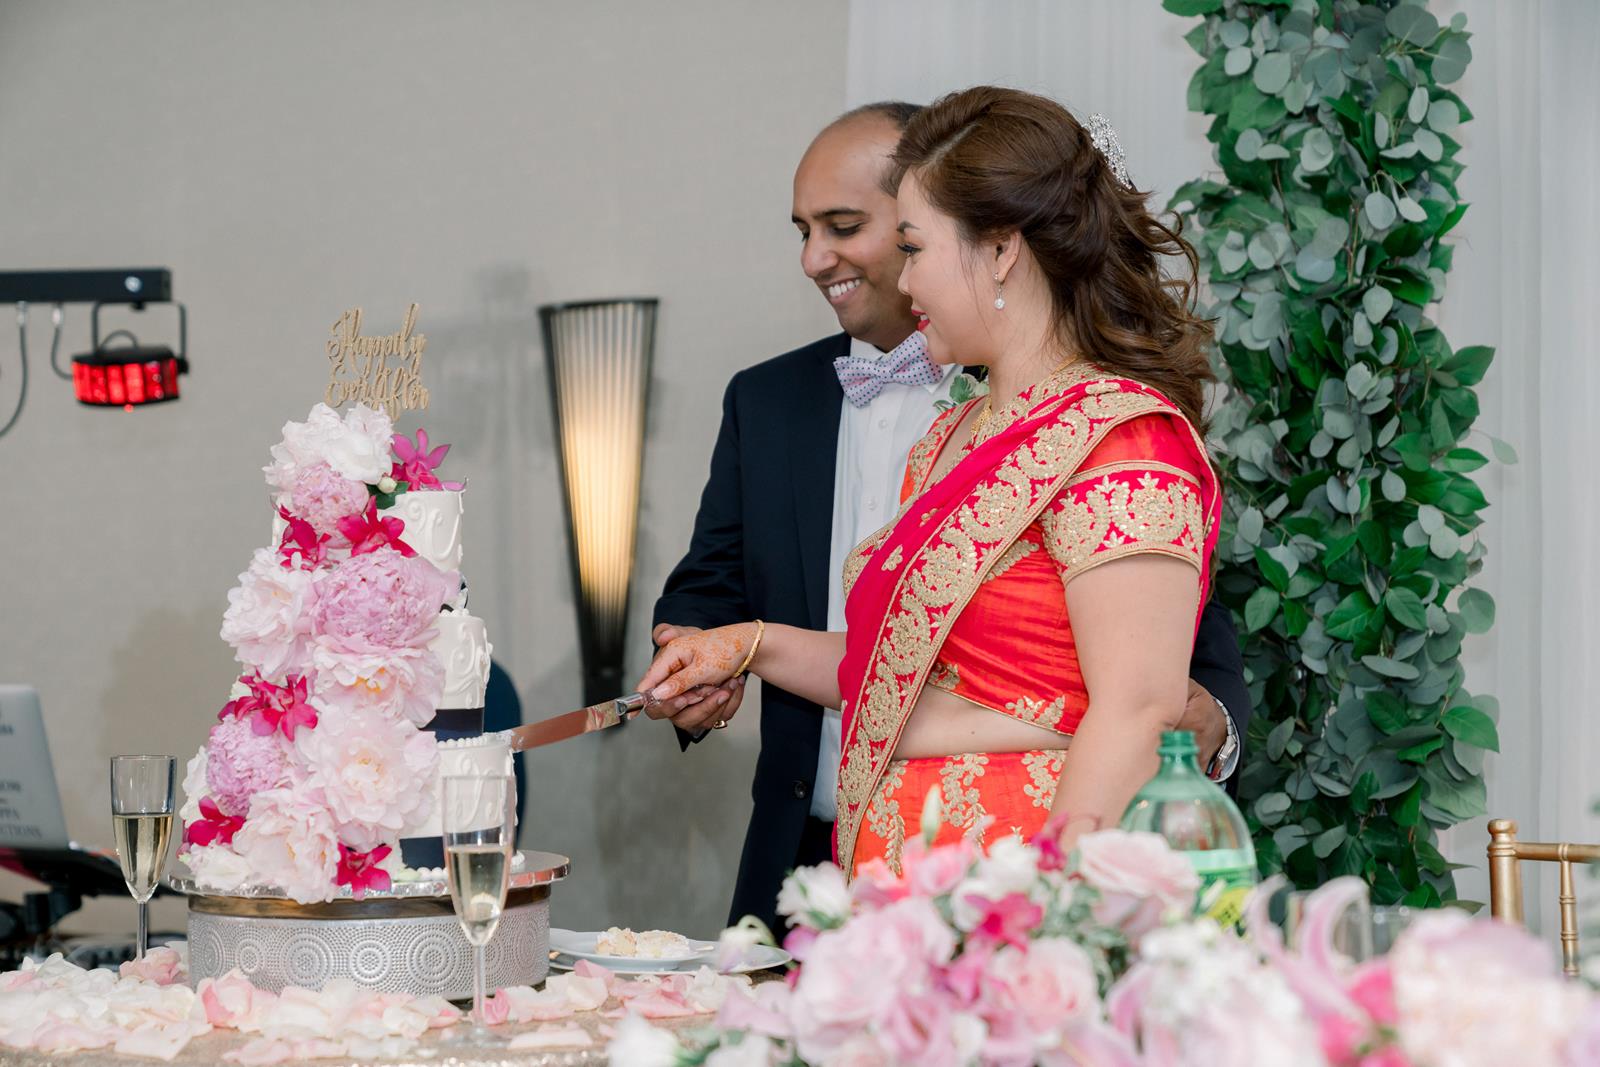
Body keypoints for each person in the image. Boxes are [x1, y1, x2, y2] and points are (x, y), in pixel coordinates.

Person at [649, 95, 1246, 923]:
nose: (907, 279)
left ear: (1000, 251)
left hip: (1020, 895)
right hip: (904, 901)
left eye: (915, 247)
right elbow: (889, 674)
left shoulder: (1122, 439)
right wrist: (748, 643)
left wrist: (1046, 917)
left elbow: (1138, 708)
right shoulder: (953, 436)